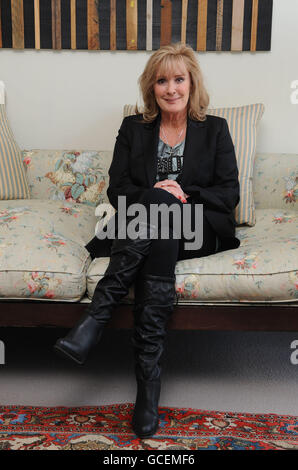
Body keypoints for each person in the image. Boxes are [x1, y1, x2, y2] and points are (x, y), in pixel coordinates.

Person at [54, 43, 240, 439]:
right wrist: (157, 193)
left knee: (163, 209)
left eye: (178, 79)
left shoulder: (216, 129)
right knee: (159, 220)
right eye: (162, 80)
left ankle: (96, 318)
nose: (171, 88)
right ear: (150, 87)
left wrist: (181, 192)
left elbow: (228, 193)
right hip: (153, 226)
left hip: (198, 224)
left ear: (191, 84)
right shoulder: (133, 127)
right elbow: (117, 190)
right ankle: (148, 388)